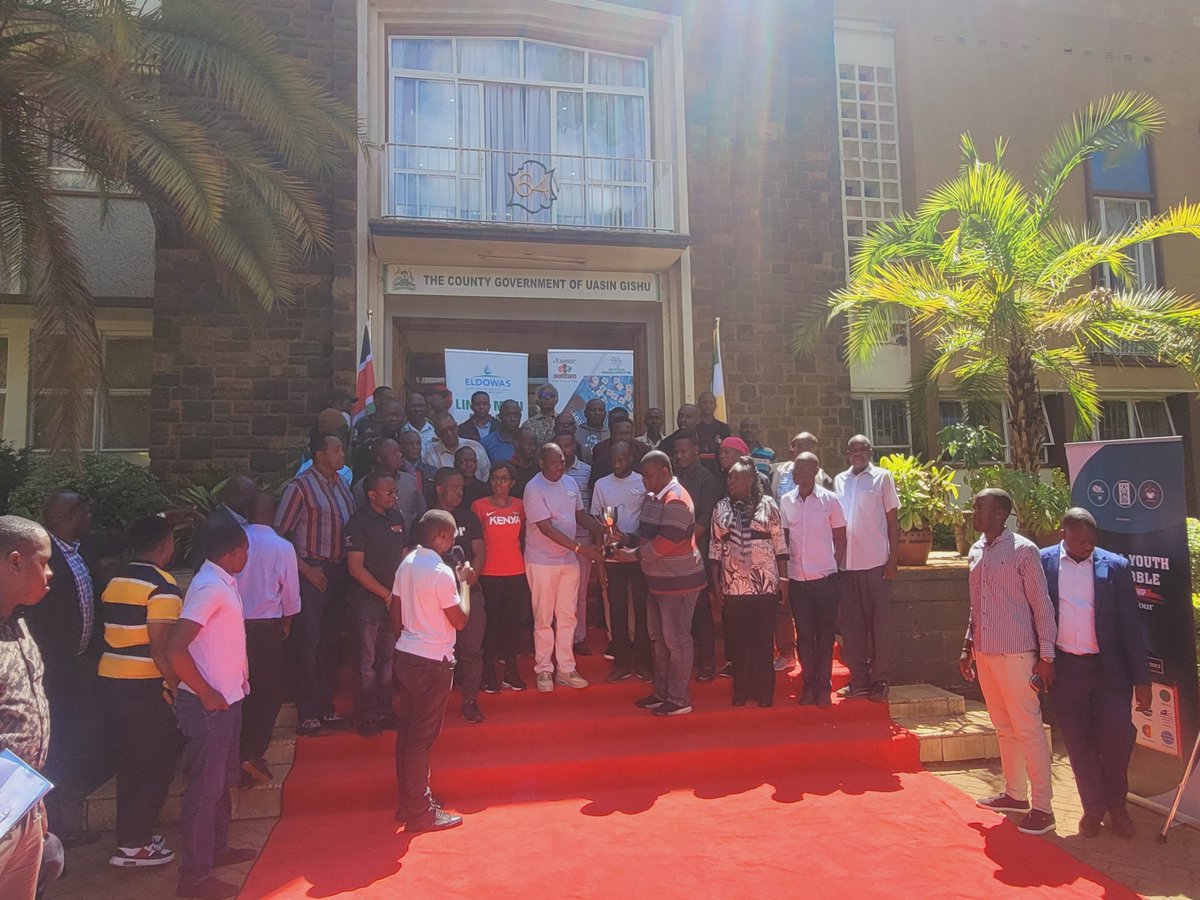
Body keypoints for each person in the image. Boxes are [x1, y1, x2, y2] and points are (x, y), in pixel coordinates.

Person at [1040, 508, 1151, 839]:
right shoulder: (1042, 563)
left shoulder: (1115, 566)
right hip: (1065, 671)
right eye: (1080, 540)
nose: (1088, 546)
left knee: (1116, 739)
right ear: (1064, 534)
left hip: (1109, 672)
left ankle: (1117, 806)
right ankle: (1094, 808)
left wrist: (1142, 679)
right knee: (1078, 743)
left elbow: (1131, 627)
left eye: (1092, 540)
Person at [165, 523, 257, 900]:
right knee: (206, 788)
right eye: (245, 551)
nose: (248, 557)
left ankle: (217, 850)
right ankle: (195, 875)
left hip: (227, 699)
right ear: (233, 552)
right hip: (209, 706)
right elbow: (175, 648)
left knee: (219, 783)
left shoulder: (221, 582)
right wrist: (204, 692)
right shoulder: (209, 588)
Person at [960, 488, 1058, 837]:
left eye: (979, 508)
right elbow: (977, 603)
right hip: (985, 652)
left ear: (1001, 513)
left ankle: (1044, 808)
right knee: (1003, 727)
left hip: (1017, 654)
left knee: (1028, 729)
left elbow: (1041, 605)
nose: (973, 513)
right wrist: (967, 645)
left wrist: (1047, 656)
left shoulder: (1023, 550)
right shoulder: (975, 551)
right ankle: (1016, 795)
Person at [97, 515, 185, 868]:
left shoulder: (115, 579)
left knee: (130, 761)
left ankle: (133, 834)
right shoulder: (162, 586)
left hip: (110, 679)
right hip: (145, 687)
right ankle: (135, 843)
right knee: (152, 763)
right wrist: (177, 689)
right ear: (165, 544)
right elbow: (161, 648)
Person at [24, 492, 106, 847]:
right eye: (85, 510)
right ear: (70, 516)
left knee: (73, 746)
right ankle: (47, 835)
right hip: (51, 672)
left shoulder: (78, 549)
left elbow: (114, 539)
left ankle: (61, 828)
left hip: (78, 665)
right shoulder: (43, 554)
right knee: (52, 751)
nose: (90, 515)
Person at [390, 510, 469, 834]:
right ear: (440, 536)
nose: (453, 542)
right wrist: (465, 585)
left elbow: (395, 614)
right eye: (451, 536)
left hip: (406, 655)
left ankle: (408, 803)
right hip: (433, 661)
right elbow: (460, 620)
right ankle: (421, 812)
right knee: (421, 739)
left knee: (407, 734)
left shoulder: (406, 563)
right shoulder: (441, 571)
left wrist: (409, 640)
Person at [275, 433, 356, 737]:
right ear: (319, 454)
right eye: (336, 449)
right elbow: (280, 536)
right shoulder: (299, 488)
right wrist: (306, 570)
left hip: (339, 571)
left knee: (330, 643)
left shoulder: (341, 485)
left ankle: (325, 705)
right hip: (312, 571)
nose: (342, 454)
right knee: (307, 643)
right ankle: (307, 712)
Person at [618, 452, 708, 716]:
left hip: (679, 582)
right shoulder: (652, 498)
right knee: (659, 638)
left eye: (648, 475)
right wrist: (625, 537)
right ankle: (662, 692)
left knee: (677, 640)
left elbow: (668, 541)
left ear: (665, 472)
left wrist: (632, 556)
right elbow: (647, 534)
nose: (644, 481)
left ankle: (679, 699)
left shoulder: (677, 499)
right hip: (658, 581)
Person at [0, 516, 55, 899]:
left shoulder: (18, 622)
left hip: (23, 807)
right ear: (15, 561)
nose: (50, 572)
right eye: (43, 561)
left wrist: (34, 799)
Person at [522, 444, 604, 692]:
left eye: (563, 461)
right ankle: (544, 669)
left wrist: (604, 529)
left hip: (568, 560)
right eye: (556, 462)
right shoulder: (533, 488)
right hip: (542, 560)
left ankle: (566, 669)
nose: (561, 465)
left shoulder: (570, 484)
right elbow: (546, 528)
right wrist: (580, 549)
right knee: (544, 618)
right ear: (542, 463)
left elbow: (580, 516)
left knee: (568, 616)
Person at [709, 457, 788, 708]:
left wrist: (784, 579)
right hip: (734, 584)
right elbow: (714, 547)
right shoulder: (721, 507)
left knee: (763, 641)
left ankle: (764, 693)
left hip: (765, 584)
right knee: (740, 641)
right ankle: (741, 692)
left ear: (750, 480)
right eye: (729, 477)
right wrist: (715, 581)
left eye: (736, 477)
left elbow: (780, 544)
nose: (730, 481)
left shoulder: (768, 505)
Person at [235, 493, 299, 787]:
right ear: (273, 514)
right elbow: (290, 595)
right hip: (267, 627)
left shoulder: (236, 541)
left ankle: (235, 755)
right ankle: (252, 752)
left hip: (233, 625)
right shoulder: (282, 547)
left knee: (240, 691)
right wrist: (287, 622)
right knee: (268, 693)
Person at [835, 435, 899, 702]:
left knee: (880, 625)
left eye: (863, 449)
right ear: (847, 453)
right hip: (845, 565)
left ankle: (880, 680)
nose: (858, 453)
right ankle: (859, 679)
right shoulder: (839, 480)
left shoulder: (882, 478)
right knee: (852, 627)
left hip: (875, 563)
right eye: (853, 450)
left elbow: (892, 521)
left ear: (871, 452)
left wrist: (893, 558)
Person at [779, 453, 846, 708]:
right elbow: (783, 541)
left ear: (816, 469)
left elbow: (840, 538)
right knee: (805, 636)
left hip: (825, 580)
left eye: (802, 468)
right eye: (795, 469)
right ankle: (808, 685)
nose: (797, 473)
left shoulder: (831, 501)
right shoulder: (786, 501)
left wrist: (832, 566)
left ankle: (823, 686)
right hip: (798, 580)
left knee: (825, 636)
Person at [345, 474, 409, 737]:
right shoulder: (358, 523)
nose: (394, 497)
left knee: (388, 658)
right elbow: (355, 568)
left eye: (395, 492)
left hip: (393, 599)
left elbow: (404, 556)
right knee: (367, 660)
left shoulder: (397, 518)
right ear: (372, 494)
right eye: (388, 493)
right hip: (368, 602)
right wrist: (385, 594)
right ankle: (368, 714)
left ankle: (385, 709)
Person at [591, 441, 651, 682]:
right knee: (616, 610)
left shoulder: (642, 482)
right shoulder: (601, 485)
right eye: (614, 460)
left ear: (631, 458)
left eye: (622, 460)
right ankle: (622, 663)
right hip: (613, 555)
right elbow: (597, 526)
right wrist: (600, 561)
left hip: (639, 555)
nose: (617, 464)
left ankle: (645, 663)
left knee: (642, 609)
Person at [431, 469, 487, 724]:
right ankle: (434, 705)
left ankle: (470, 700)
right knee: (436, 653)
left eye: (462, 488)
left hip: (468, 592)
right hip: (435, 597)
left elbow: (479, 550)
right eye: (454, 488)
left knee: (472, 649)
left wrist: (473, 574)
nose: (460, 492)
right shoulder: (428, 520)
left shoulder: (469, 517)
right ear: (439, 489)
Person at [472, 464, 529, 693]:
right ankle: (489, 673)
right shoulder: (479, 506)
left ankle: (511, 672)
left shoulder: (519, 505)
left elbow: (523, 536)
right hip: (489, 572)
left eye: (504, 479)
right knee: (492, 624)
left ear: (512, 483)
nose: (498, 483)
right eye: (495, 478)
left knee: (513, 624)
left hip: (515, 570)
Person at [671, 431, 722, 681]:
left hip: (696, 554)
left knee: (701, 612)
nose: (679, 456)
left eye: (684, 451)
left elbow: (704, 521)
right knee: (679, 615)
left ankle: (707, 663)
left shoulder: (707, 480)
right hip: (671, 557)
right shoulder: (671, 478)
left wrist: (680, 545)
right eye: (676, 452)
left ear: (696, 450)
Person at [556, 433, 596, 658]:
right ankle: (558, 636)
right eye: (560, 445)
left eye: (568, 445)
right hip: (555, 540)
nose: (564, 450)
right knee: (557, 592)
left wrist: (600, 529)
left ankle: (578, 636)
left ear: (574, 447)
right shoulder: (546, 475)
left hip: (581, 537)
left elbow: (585, 508)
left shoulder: (587, 471)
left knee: (579, 591)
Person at [353, 437, 427, 530]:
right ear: (380, 459)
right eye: (394, 453)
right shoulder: (362, 486)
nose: (400, 455)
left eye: (400, 451)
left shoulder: (409, 479)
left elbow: (422, 509)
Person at [188, 476, 256, 571]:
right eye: (247, 494)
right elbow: (199, 560)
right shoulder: (214, 524)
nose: (253, 500)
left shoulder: (252, 522)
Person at [423, 413, 491, 482]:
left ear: (457, 427)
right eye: (443, 431)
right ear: (437, 433)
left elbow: (486, 476)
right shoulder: (430, 455)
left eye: (451, 428)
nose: (449, 433)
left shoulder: (476, 447)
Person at [588, 417, 651, 488]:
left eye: (627, 433)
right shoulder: (600, 449)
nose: (623, 437)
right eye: (619, 434)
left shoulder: (643, 450)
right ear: (611, 434)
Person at [773, 432, 835, 500]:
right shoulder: (776, 472)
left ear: (811, 450)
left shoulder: (823, 479)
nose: (792, 449)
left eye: (799, 446)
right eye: (792, 445)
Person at [696, 391, 731, 474]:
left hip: (718, 469)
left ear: (715, 406)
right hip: (698, 467)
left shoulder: (724, 428)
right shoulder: (694, 427)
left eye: (711, 402)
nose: (707, 405)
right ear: (698, 405)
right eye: (704, 402)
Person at [480, 400, 523, 465]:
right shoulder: (486, 443)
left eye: (516, 415)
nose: (513, 419)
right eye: (508, 415)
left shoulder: (528, 439)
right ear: (500, 417)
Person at [508, 427, 540, 498]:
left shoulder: (540, 469)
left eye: (535, 444)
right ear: (516, 443)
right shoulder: (507, 470)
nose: (533, 448)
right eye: (529, 444)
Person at [402, 392, 437, 456]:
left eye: (420, 406)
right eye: (413, 406)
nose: (417, 409)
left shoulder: (436, 429)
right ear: (406, 408)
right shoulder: (400, 431)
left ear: (426, 407)